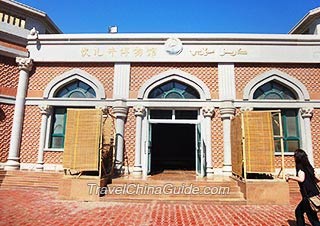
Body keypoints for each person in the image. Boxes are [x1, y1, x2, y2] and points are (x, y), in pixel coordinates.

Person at [286, 149, 320, 226]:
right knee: (299, 212)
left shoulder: (299, 166)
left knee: (313, 218)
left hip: (308, 196)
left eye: (294, 156)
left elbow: (301, 179)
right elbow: (318, 179)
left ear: (297, 157)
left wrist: (290, 177)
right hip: (314, 192)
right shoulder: (309, 166)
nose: (294, 158)